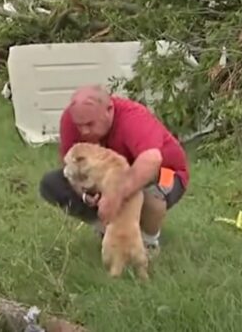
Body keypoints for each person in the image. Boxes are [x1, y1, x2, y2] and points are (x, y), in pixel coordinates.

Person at [39, 85, 190, 258]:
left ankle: (149, 243)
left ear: (109, 109)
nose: (84, 131)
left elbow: (152, 160)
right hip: (108, 178)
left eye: (90, 124)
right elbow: (70, 165)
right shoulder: (71, 119)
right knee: (52, 183)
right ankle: (108, 230)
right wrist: (83, 192)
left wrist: (115, 195)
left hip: (167, 171)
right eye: (79, 125)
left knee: (151, 189)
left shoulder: (133, 117)